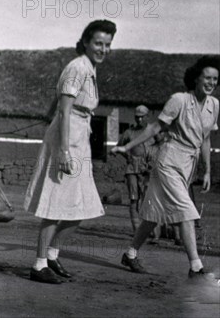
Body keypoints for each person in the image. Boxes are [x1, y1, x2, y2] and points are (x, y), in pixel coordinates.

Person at [24, 20, 117, 284]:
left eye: (107, 45)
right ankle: (39, 264)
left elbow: (60, 104)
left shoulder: (89, 68)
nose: (103, 49)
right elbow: (65, 110)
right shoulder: (77, 67)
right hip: (67, 140)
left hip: (79, 136)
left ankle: (52, 255)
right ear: (86, 42)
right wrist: (63, 151)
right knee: (55, 206)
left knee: (80, 208)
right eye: (98, 43)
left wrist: (49, 114)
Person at [113, 56, 219, 281]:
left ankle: (130, 254)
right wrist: (129, 146)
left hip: (187, 166)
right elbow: (155, 127)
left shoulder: (214, 105)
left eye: (215, 79)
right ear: (196, 78)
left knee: (153, 213)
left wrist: (207, 170)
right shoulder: (179, 100)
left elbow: (206, 139)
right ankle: (196, 267)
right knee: (186, 209)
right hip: (168, 162)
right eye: (207, 78)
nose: (211, 83)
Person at [117, 105, 157, 233]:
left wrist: (153, 157)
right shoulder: (129, 132)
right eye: (137, 117)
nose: (139, 120)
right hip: (132, 169)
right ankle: (136, 230)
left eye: (142, 117)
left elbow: (162, 144)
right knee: (134, 199)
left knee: (148, 199)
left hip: (148, 170)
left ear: (147, 117)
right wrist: (128, 155)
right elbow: (119, 147)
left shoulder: (153, 130)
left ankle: (151, 230)